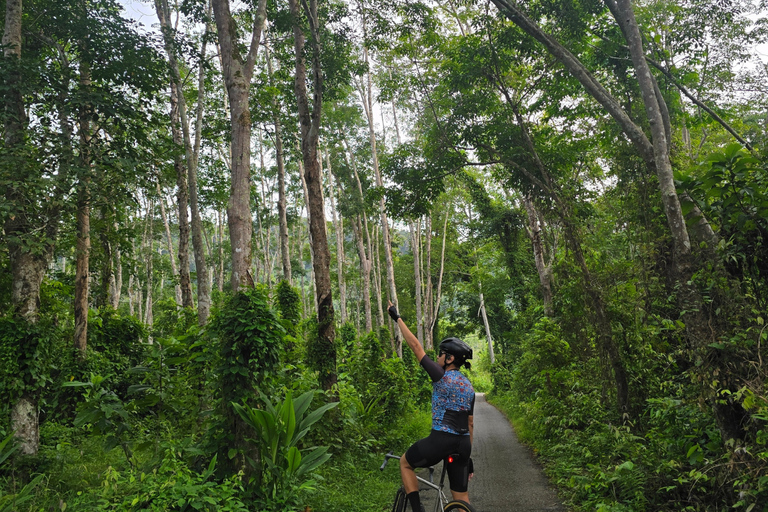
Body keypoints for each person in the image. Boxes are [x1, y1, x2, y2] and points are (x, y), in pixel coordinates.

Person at [388, 301, 475, 512]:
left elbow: (416, 347)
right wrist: (468, 455)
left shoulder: (441, 375)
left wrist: (396, 317)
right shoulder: (469, 386)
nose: (437, 357)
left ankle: (418, 510)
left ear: (450, 358)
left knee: (405, 463)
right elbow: (470, 423)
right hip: (463, 443)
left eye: (440, 354)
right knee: (461, 496)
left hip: (441, 440)